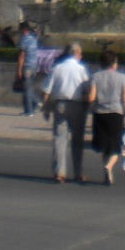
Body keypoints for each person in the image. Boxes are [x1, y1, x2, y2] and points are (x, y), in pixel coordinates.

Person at [42, 42, 89, 183]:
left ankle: (59, 172)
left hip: (60, 105)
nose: (81, 56)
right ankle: (78, 172)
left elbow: (46, 90)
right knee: (77, 140)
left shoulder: (57, 68)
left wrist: (46, 109)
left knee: (59, 139)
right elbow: (87, 89)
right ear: (76, 53)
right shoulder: (81, 69)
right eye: (80, 53)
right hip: (77, 105)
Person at [87, 48, 125, 184]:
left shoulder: (95, 76)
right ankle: (109, 167)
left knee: (104, 145)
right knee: (115, 146)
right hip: (116, 113)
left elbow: (91, 97)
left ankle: (107, 172)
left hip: (100, 114)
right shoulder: (122, 78)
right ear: (114, 63)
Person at [14, 21, 40, 116]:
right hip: (34, 65)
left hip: (27, 66)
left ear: (23, 29)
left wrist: (19, 70)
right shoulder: (34, 38)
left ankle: (29, 111)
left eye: (20, 29)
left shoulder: (24, 39)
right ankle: (33, 106)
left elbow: (21, 56)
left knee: (27, 89)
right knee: (28, 88)